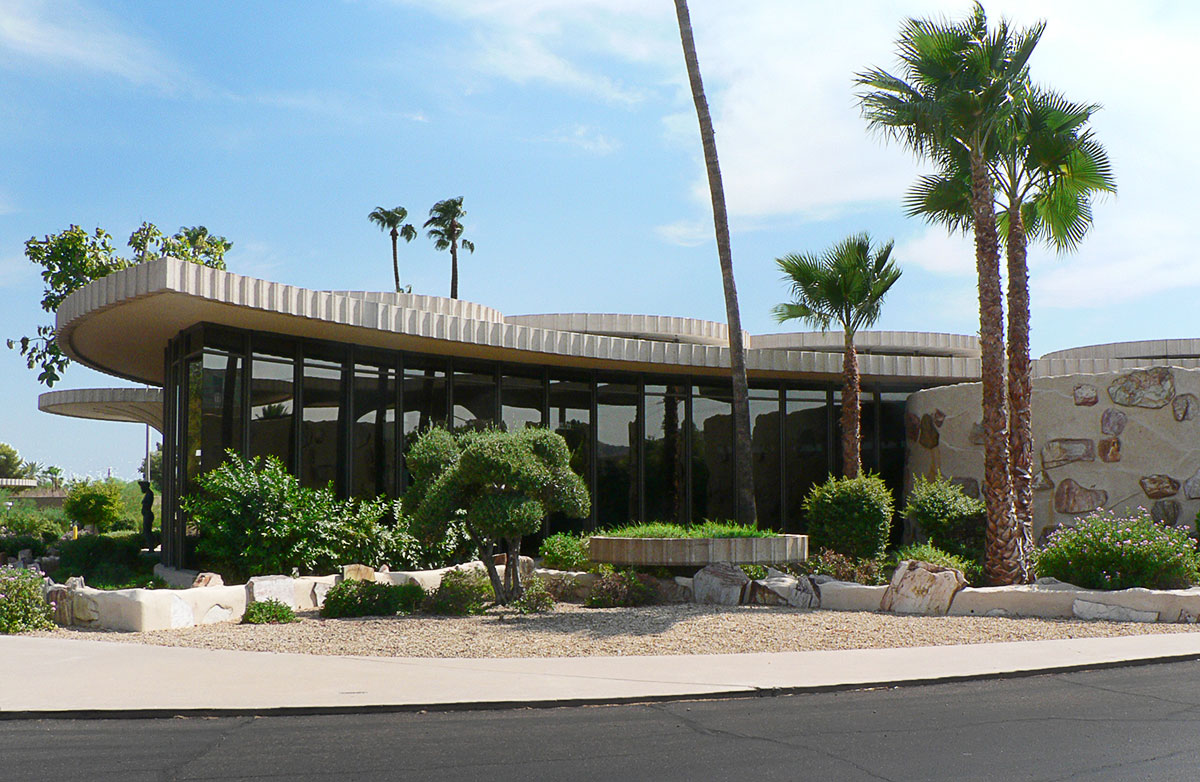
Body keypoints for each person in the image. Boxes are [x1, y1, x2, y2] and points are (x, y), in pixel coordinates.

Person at [138, 480, 155, 551]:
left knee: (147, 531)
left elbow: (147, 504)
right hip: (146, 514)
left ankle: (151, 547)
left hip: (148, 515)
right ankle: (150, 547)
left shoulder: (149, 494)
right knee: (146, 531)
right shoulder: (148, 494)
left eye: (142, 487)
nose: (141, 489)